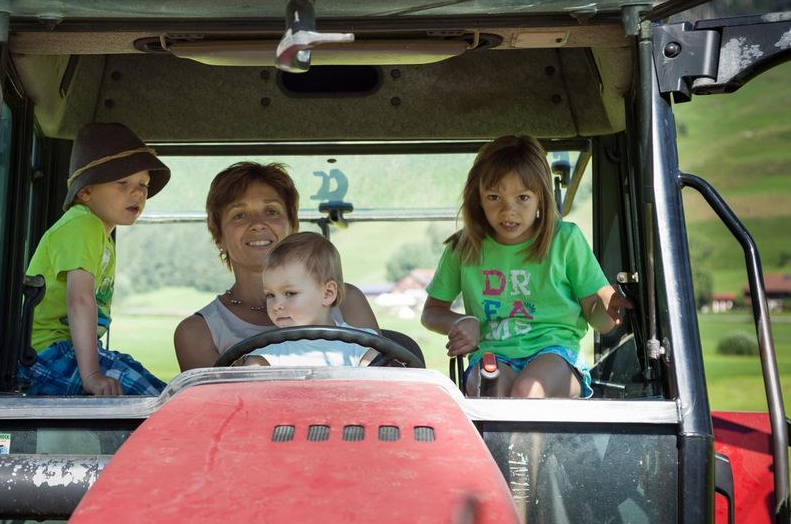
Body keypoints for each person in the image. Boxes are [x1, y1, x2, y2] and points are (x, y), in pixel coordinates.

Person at [420, 135, 632, 398]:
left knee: (528, 391)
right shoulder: (464, 247)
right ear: (478, 198)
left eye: (522, 197)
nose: (508, 210)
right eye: (494, 197)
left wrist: (608, 308)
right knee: (491, 391)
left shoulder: (565, 240)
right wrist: (462, 321)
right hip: (492, 353)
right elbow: (432, 312)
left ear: (541, 198)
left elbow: (600, 320)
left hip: (555, 354)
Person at [173, 162, 379, 370]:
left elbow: (381, 380)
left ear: (293, 226)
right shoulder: (197, 332)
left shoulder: (347, 300)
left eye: (271, 211)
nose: (258, 223)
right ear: (219, 237)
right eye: (239, 215)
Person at [19, 122, 171, 396]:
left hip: (67, 350)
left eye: (143, 185)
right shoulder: (83, 225)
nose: (137, 193)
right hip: (46, 355)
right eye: (122, 183)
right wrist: (92, 375)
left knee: (160, 393)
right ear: (85, 192)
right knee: (156, 401)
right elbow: (80, 298)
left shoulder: (101, 235)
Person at [238, 232, 379, 367]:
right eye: (270, 295)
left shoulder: (361, 345)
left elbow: (381, 384)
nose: (276, 305)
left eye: (290, 293)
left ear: (327, 293)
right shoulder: (265, 356)